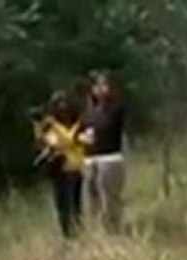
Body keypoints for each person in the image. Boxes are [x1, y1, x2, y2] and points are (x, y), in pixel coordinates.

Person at [34, 90, 86, 239]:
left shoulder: (76, 122)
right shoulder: (49, 125)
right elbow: (46, 143)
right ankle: (68, 234)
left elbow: (77, 141)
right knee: (64, 205)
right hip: (60, 169)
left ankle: (78, 232)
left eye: (64, 102)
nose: (62, 106)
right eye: (58, 103)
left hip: (76, 167)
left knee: (76, 204)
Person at [80, 71, 127, 234]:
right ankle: (98, 231)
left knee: (110, 197)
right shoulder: (88, 110)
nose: (100, 89)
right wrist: (83, 137)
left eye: (103, 85)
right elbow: (82, 129)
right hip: (90, 158)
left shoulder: (116, 107)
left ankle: (114, 230)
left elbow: (111, 126)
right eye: (96, 86)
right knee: (92, 196)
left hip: (110, 157)